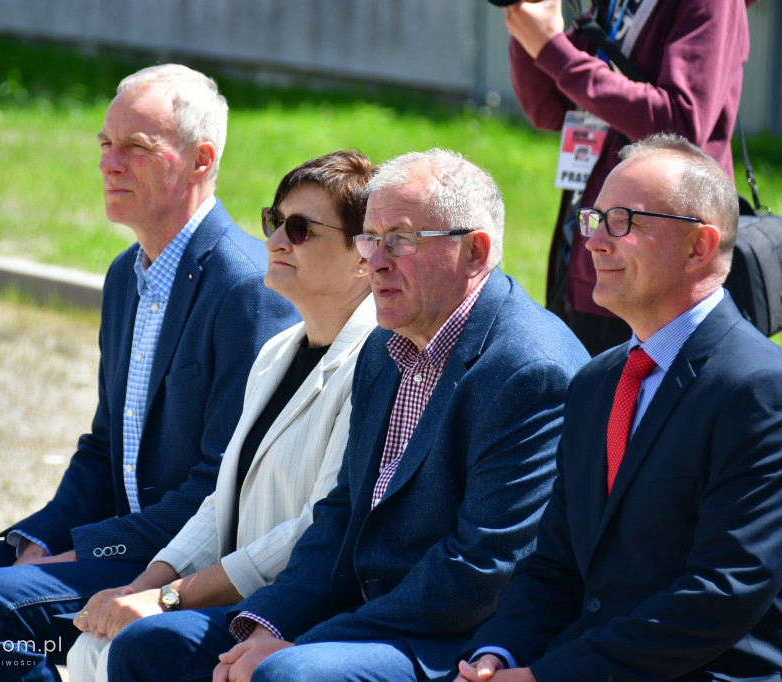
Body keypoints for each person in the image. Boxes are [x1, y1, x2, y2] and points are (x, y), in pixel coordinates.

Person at [0, 63, 300, 681]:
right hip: (120, 540)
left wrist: (77, 553)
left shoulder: (247, 288)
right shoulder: (125, 276)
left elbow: (219, 490)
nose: (110, 163)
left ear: (200, 161)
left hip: (180, 564)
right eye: (105, 145)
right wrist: (40, 539)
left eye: (136, 148)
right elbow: (104, 445)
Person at [101, 148, 588, 682]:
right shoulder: (386, 345)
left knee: (286, 676)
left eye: (399, 240)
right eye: (370, 238)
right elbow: (340, 513)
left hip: (452, 640)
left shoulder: (528, 370)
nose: (375, 260)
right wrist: (272, 621)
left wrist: (304, 641)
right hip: (353, 615)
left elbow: (478, 570)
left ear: (474, 253)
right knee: (149, 645)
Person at [453, 134, 782, 682]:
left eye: (623, 221)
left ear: (698, 247)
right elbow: (555, 565)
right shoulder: (597, 381)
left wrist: (549, 676)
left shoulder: (763, 391)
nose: (595, 243)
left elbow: (720, 594)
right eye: (594, 219)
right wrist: (499, 654)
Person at [62, 149, 378, 680]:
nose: (275, 240)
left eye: (300, 228)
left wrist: (168, 599)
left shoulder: (375, 365)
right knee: (97, 643)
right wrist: (143, 585)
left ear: (363, 255)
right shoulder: (279, 351)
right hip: (233, 595)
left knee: (134, 645)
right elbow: (220, 499)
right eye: (273, 221)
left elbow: (315, 529)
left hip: (293, 616)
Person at [499, 0, 752, 355]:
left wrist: (551, 49)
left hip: (657, 268)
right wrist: (528, 32)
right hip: (588, 250)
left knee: (645, 404)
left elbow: (680, 123)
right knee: (587, 400)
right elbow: (550, 107)